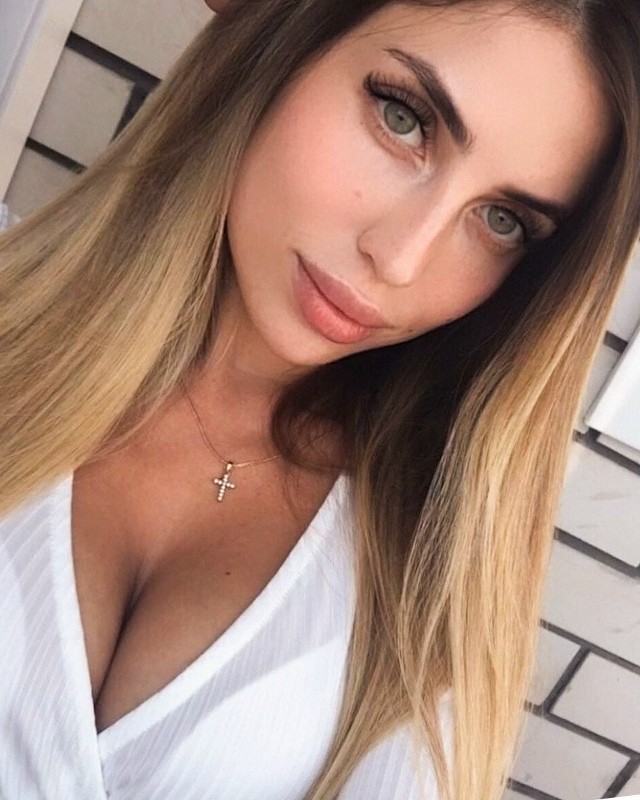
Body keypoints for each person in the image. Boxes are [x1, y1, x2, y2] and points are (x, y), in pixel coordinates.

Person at [1, 0, 639, 798]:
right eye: (403, 118)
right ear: (288, 40)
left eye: (502, 220)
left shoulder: (427, 583)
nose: (401, 259)